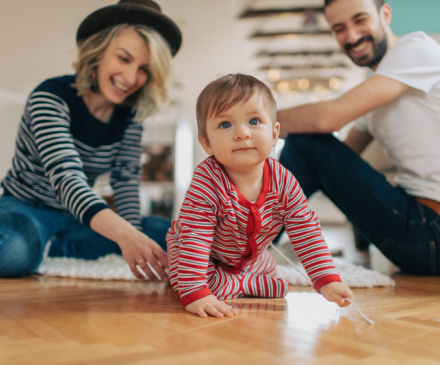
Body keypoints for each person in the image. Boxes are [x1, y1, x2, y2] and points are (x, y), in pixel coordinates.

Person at [0, 0, 182, 281]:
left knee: (174, 235)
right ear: (97, 52)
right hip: (27, 209)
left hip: (78, 219)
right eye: (124, 58)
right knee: (13, 248)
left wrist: (132, 235)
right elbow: (67, 178)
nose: (132, 78)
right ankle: (45, 245)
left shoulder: (130, 116)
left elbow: (125, 180)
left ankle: (52, 247)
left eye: (144, 68)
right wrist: (126, 235)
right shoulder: (50, 97)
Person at [166, 74, 353, 318]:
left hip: (251, 259)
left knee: (269, 270)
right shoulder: (207, 181)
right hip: (199, 254)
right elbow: (195, 239)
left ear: (275, 133)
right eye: (225, 125)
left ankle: (243, 280)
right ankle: (246, 284)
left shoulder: (284, 180)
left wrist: (326, 280)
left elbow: (305, 230)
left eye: (254, 121)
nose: (242, 133)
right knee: (183, 279)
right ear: (207, 142)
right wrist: (195, 292)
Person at [277, 0, 440, 276]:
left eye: (360, 20)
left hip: (429, 229)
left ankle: (242, 251)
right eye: (339, 28)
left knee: (304, 144)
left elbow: (326, 120)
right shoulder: (379, 87)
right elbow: (339, 157)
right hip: (418, 226)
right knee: (307, 147)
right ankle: (242, 240)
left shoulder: (416, 48)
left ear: (385, 14)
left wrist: (251, 120)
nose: (351, 37)